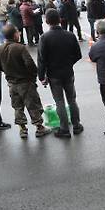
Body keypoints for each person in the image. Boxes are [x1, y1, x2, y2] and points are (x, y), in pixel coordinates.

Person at [0, 24, 51, 139]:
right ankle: (39, 127)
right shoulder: (20, 48)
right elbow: (29, 64)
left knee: (17, 107)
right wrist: (34, 74)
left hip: (11, 83)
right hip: (25, 82)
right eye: (18, 32)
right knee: (33, 105)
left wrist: (6, 71)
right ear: (15, 34)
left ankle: (22, 129)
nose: (19, 34)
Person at [37, 8, 84, 138]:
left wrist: (41, 76)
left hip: (53, 74)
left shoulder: (44, 38)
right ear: (59, 19)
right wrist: (69, 63)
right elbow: (78, 55)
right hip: (68, 72)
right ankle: (76, 125)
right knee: (72, 100)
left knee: (59, 101)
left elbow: (41, 60)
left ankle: (64, 129)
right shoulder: (70, 35)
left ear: (46, 21)